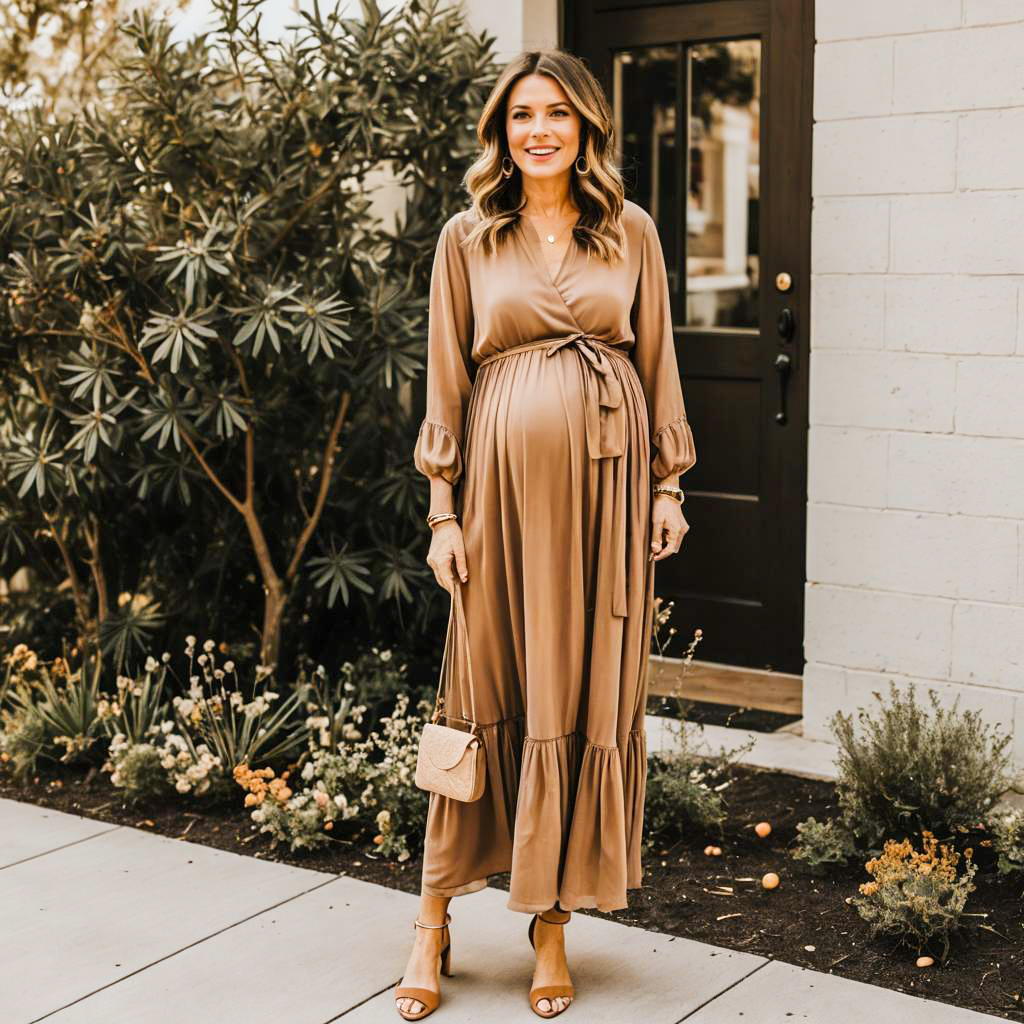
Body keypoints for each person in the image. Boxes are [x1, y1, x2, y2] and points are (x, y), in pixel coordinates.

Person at [395, 48, 696, 1021]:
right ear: (501, 128)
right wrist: (440, 511)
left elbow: (657, 361)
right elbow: (445, 372)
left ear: (586, 130)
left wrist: (667, 487)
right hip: (497, 497)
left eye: (558, 115)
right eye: (522, 114)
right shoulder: (467, 238)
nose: (539, 130)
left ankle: (550, 926)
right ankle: (431, 919)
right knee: (479, 685)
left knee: (578, 690)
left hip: (605, 503)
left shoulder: (631, 232)